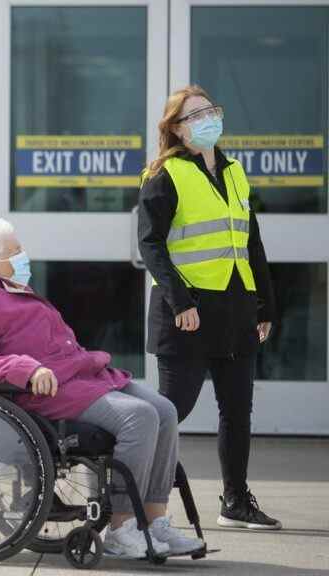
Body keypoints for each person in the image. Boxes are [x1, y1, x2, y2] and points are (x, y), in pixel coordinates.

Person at [0, 218, 205, 559]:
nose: (24, 255)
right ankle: (122, 525)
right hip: (45, 390)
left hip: (80, 375)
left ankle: (156, 521)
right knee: (139, 417)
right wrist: (29, 369)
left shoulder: (9, 287)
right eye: (15, 251)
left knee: (165, 410)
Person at [138, 85, 280, 530]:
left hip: (236, 310)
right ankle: (135, 495)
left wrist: (265, 306)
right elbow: (151, 245)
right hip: (189, 312)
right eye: (195, 114)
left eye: (210, 110)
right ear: (176, 129)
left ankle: (235, 501)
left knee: (237, 411)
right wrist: (180, 301)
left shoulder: (236, 172)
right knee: (169, 411)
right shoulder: (164, 174)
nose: (207, 119)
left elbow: (249, 242)